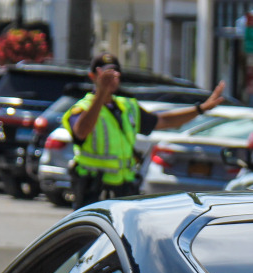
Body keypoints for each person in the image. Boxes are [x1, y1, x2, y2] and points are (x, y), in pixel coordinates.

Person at [66, 52, 227, 209]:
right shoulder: (82, 108)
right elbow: (81, 132)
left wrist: (200, 109)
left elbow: (163, 120)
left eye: (115, 72)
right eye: (106, 73)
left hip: (123, 190)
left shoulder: (127, 106)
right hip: (93, 191)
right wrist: (100, 93)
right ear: (93, 76)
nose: (112, 77)